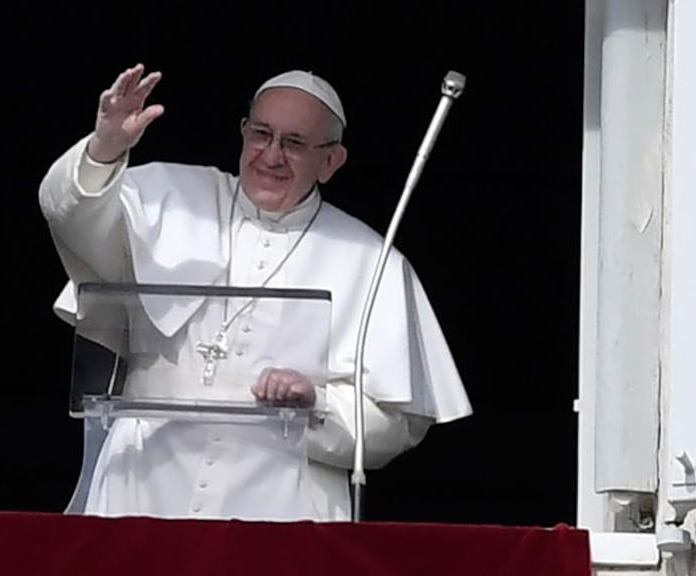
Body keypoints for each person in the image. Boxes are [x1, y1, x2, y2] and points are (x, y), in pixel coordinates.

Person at [38, 64, 472, 521]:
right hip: (142, 483)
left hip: (282, 504)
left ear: (331, 161)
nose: (272, 155)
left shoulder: (370, 259)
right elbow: (71, 218)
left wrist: (317, 403)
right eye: (261, 134)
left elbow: (398, 421)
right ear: (243, 132)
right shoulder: (174, 197)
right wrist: (104, 148)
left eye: (295, 143)